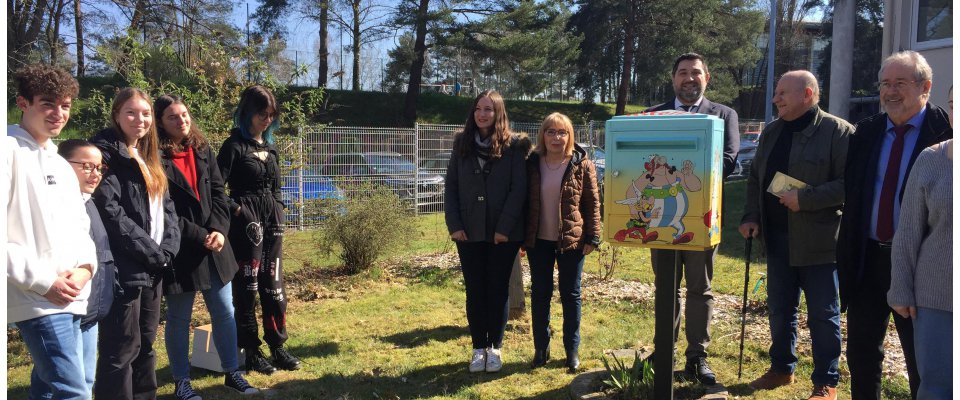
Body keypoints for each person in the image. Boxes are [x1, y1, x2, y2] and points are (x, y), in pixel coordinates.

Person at [837, 50, 952, 400]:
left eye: (900, 83)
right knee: (861, 354)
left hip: (923, 267)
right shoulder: (866, 132)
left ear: (925, 87)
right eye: (885, 83)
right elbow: (852, 195)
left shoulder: (942, 132)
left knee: (924, 362)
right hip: (868, 260)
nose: (890, 91)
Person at [739, 71, 850, 400]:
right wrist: (750, 215)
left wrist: (807, 199)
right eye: (776, 93)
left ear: (808, 94)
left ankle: (826, 381)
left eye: (783, 94)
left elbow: (851, 185)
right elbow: (755, 178)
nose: (776, 100)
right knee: (779, 309)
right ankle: (781, 369)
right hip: (777, 240)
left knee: (823, 314)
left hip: (819, 243)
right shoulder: (772, 132)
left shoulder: (838, 132)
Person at [641, 52, 740, 384]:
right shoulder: (653, 115)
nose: (689, 78)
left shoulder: (724, 115)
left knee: (700, 287)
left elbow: (727, 160)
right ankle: (663, 349)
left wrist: (683, 170)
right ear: (673, 78)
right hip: (660, 219)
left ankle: (697, 356)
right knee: (664, 285)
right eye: (683, 72)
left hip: (702, 218)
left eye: (695, 73)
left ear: (706, 77)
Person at [155, 95, 259, 399]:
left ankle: (232, 373)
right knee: (179, 318)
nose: (182, 121)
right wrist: (200, 234)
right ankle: (181, 381)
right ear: (160, 122)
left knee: (225, 311)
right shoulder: (155, 157)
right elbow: (164, 210)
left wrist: (219, 231)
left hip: (215, 247)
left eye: (185, 114)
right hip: (181, 249)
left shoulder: (202, 149)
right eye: (173, 117)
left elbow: (217, 192)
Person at [6, 64, 98, 400]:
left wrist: (87, 268)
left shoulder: (60, 162)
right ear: (23, 102)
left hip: (73, 295)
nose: (58, 113)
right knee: (73, 392)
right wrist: (45, 282)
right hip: (37, 299)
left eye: (66, 105)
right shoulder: (8, 150)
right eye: (48, 103)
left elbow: (81, 225)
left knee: (51, 389)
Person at [91, 87, 181, 400]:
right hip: (125, 270)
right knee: (121, 351)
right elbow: (111, 212)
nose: (139, 119)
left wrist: (167, 251)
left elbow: (168, 210)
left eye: (145, 113)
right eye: (131, 112)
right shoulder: (104, 156)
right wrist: (152, 253)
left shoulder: (147, 157)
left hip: (153, 268)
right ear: (116, 115)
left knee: (145, 345)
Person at [445, 89, 531, 373]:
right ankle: (477, 348)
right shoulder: (462, 144)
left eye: (489, 109)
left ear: (498, 113)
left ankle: (495, 347)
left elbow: (519, 190)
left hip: (503, 234)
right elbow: (451, 187)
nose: (482, 114)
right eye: (478, 109)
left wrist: (504, 228)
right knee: (475, 290)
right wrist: (455, 225)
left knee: (497, 290)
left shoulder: (515, 146)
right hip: (468, 232)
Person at [217, 85, 301, 375]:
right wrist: (237, 208)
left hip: (272, 224)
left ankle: (278, 345)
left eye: (271, 115)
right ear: (247, 113)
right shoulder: (234, 147)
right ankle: (251, 350)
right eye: (262, 114)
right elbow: (216, 187)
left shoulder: (271, 146)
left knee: (274, 285)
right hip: (246, 225)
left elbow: (276, 186)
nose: (267, 119)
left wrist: (278, 207)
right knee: (248, 286)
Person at [887, 87, 953, 400]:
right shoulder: (932, 159)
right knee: (937, 387)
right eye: (954, 104)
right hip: (937, 299)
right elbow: (908, 231)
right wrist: (900, 288)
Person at [523, 112, 601, 373]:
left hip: (572, 241)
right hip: (539, 241)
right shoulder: (532, 163)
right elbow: (523, 201)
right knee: (540, 294)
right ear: (542, 135)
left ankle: (572, 350)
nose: (557, 137)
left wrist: (593, 236)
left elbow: (592, 201)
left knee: (571, 295)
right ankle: (541, 349)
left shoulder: (581, 163)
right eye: (551, 132)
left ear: (570, 136)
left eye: (562, 132)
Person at [58, 139, 117, 396]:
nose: (95, 174)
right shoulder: (55, 205)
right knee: (62, 385)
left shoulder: (89, 202)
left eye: (99, 168)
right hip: (65, 310)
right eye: (86, 166)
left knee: (85, 378)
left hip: (90, 311)